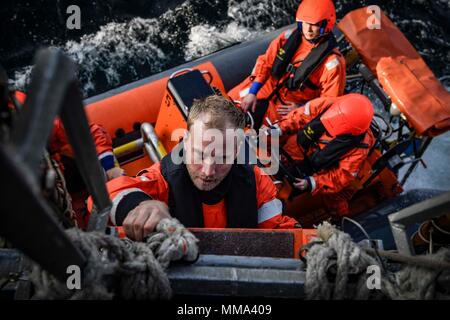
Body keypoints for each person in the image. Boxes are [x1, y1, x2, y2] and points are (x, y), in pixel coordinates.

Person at [94, 95, 299, 241]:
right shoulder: (163, 180)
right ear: (186, 142)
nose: (208, 171)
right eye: (200, 154)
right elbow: (109, 195)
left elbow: (278, 230)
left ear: (236, 151)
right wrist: (139, 206)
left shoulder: (256, 182)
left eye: (222, 157)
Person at [228, 0, 346, 128]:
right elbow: (265, 63)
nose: (308, 29)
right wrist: (253, 92)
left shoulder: (332, 64)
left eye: (315, 25)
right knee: (226, 105)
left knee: (262, 136)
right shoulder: (287, 38)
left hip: (287, 107)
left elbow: (327, 102)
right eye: (305, 23)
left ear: (326, 24)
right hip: (265, 87)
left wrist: (301, 108)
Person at [265, 93, 375, 217]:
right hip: (292, 150)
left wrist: (313, 183)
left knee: (284, 193)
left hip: (311, 171)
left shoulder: (358, 149)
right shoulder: (326, 104)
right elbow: (299, 116)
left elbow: (341, 176)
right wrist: (279, 128)